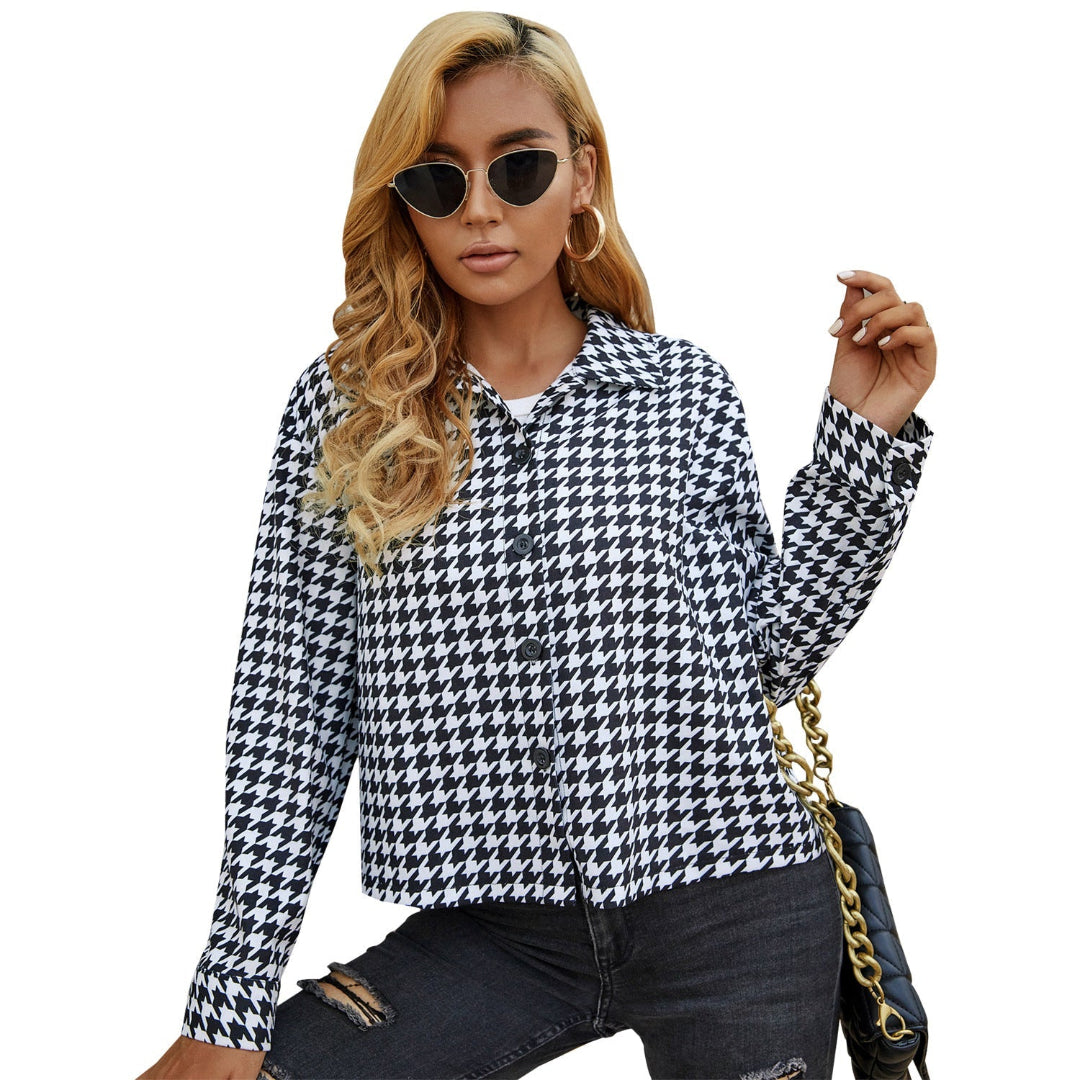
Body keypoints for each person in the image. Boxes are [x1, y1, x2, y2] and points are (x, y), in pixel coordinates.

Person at [136, 11, 936, 1080]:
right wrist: (229, 1000)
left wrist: (861, 446)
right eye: (439, 180)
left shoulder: (680, 393)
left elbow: (762, 658)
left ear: (582, 175)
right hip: (492, 933)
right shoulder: (346, 416)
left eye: (519, 168)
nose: (480, 209)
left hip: (735, 903)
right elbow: (293, 715)